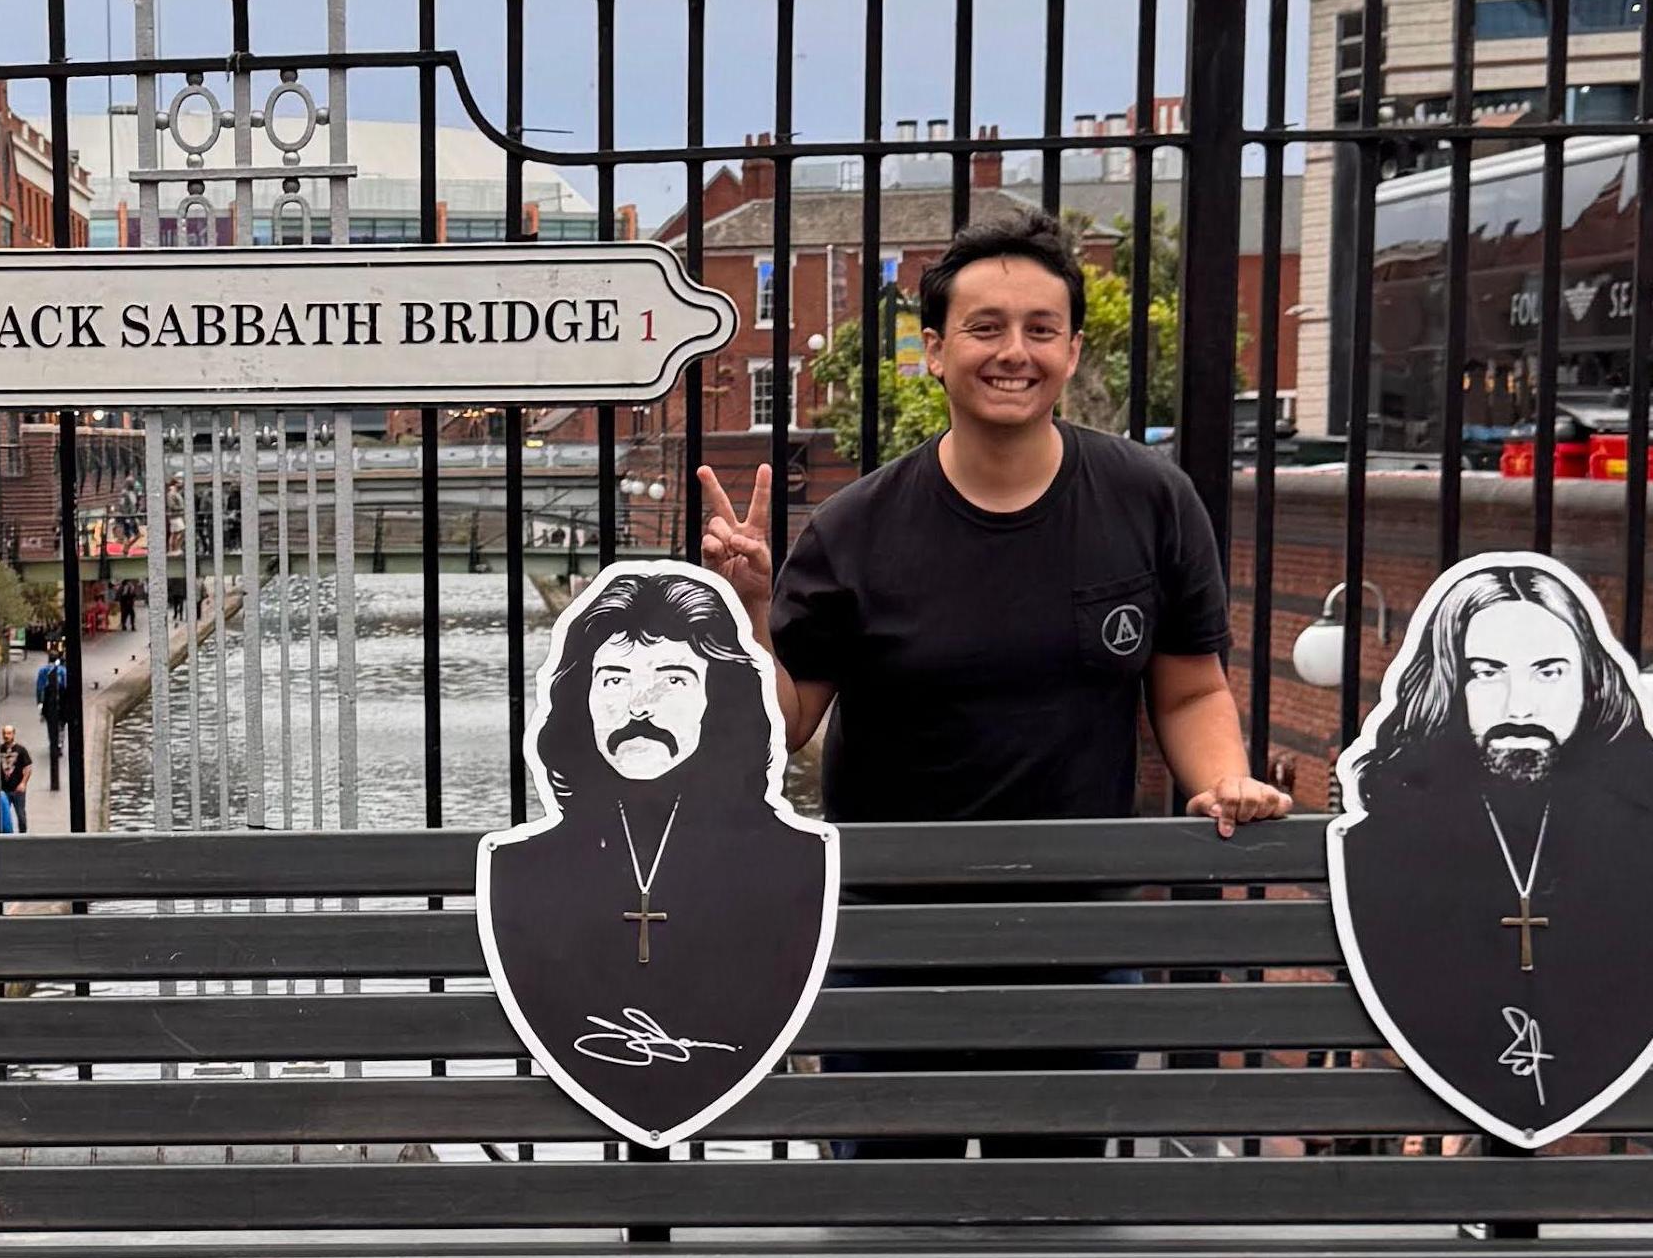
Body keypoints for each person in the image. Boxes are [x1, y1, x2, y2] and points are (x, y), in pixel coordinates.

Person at [702, 205, 1286, 1159]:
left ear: (1069, 350)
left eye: (1038, 329)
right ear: (933, 351)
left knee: (1055, 1215)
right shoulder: (852, 529)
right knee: (885, 1223)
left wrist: (1217, 776)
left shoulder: (1148, 501)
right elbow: (789, 721)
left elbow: (1187, 689)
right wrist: (747, 623)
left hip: (1077, 931)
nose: (1012, 352)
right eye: (983, 328)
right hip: (889, 938)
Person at [478, 565, 833, 1145]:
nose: (639, 707)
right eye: (614, 681)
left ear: (718, 699)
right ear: (579, 700)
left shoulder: (797, 863)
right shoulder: (515, 871)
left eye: (673, 681)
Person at [1333, 558, 1653, 1144]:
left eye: (1549, 672)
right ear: (1448, 686)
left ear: (1593, 683)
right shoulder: (1380, 848)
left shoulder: (1640, 835)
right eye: (1486, 673)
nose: (1519, 707)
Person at [35, 648, 72, 791]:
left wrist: (39, 702)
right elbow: (66, 687)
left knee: (51, 724)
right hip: (61, 701)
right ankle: (60, 743)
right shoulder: (62, 671)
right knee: (62, 725)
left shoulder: (43, 671)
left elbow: (39, 688)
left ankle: (53, 742)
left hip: (48, 702)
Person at [0, 722, 32, 832]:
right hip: (3, 789)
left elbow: (28, 768)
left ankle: (23, 834)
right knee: (3, 814)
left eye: (9, 733)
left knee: (20, 814)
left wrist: (23, 783)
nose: (7, 736)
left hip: (17, 788)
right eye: (5, 733)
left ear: (13, 734)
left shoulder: (21, 750)